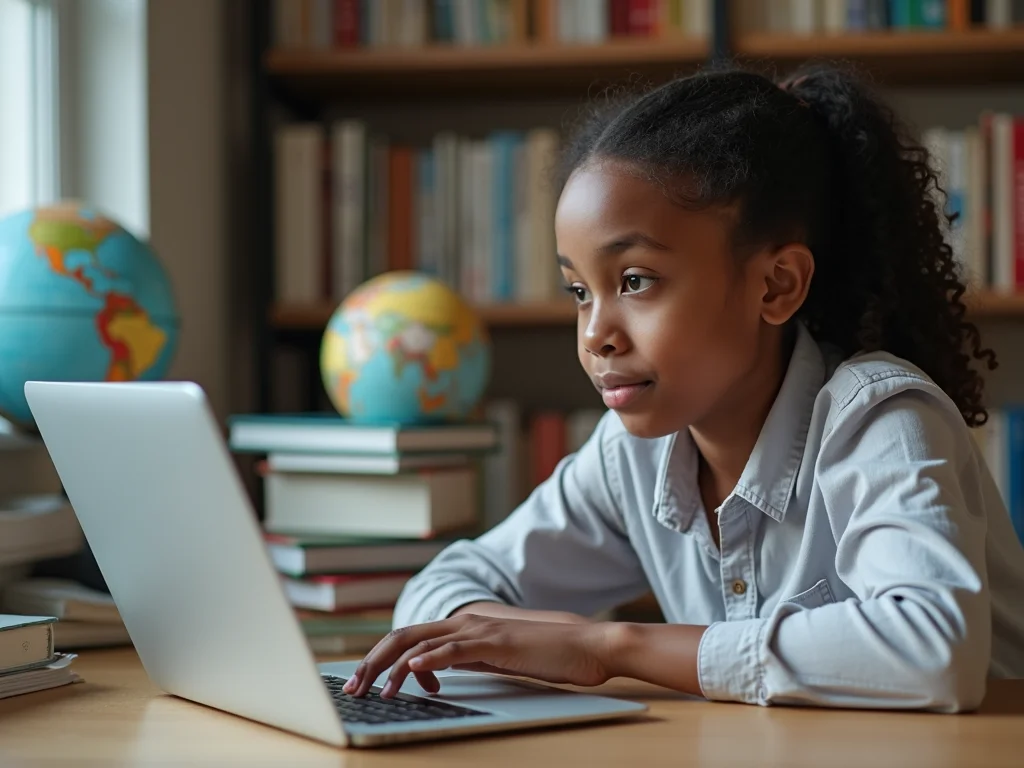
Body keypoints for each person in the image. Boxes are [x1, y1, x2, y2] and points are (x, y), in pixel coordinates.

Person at [342, 62, 1024, 712]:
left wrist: (607, 646)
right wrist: (515, 633)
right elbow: (442, 588)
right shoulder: (630, 456)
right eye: (579, 291)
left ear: (776, 285)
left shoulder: (878, 420)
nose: (596, 335)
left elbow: (933, 651)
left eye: (635, 281)